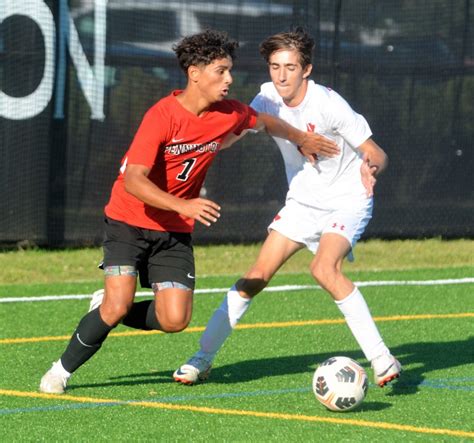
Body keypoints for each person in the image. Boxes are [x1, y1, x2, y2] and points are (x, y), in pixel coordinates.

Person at [39, 29, 339, 394]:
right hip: (128, 222)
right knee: (118, 306)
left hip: (173, 233)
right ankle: (60, 370)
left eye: (230, 71)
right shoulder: (162, 115)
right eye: (220, 71)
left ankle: (109, 304)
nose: (229, 79)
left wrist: (302, 138)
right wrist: (184, 204)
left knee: (175, 319)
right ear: (194, 73)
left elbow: (264, 122)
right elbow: (134, 180)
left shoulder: (229, 113)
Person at [173, 28, 401, 388]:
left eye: (290, 67)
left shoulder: (329, 104)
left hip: (347, 200)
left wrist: (370, 166)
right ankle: (201, 358)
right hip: (302, 203)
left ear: (306, 70)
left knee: (324, 268)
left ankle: (381, 358)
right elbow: (230, 137)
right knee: (254, 278)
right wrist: (195, 147)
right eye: (275, 66)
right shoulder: (266, 99)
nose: (281, 75)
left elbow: (377, 153)